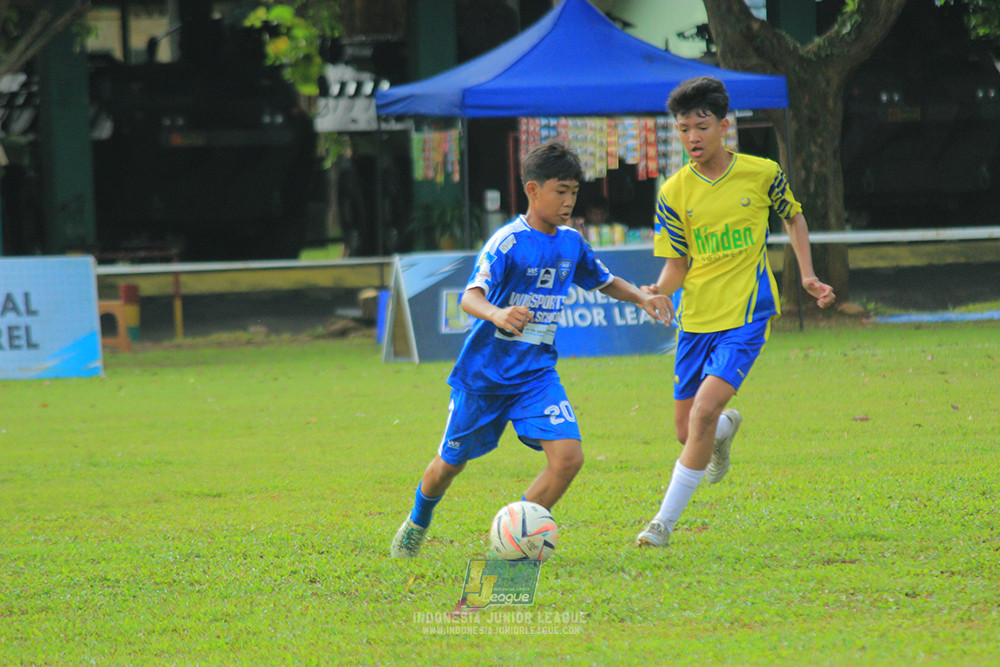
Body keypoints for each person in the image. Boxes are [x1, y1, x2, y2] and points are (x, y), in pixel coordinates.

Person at [391, 140, 674, 558]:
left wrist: (642, 297)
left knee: (568, 459)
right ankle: (418, 520)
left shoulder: (571, 243)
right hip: (484, 375)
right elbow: (469, 298)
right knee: (447, 467)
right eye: (560, 191)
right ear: (532, 190)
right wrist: (499, 314)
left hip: (536, 374)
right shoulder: (507, 242)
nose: (568, 200)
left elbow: (603, 279)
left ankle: (516, 535)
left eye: (574, 192)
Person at [636, 76, 835, 548]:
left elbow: (794, 215)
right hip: (696, 322)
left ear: (725, 125)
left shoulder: (762, 173)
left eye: (700, 126)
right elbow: (676, 264)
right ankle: (726, 430)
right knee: (688, 430)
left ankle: (661, 524)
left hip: (746, 317)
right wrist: (656, 292)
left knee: (703, 411)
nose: (692, 138)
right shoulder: (673, 192)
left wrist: (806, 274)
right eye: (683, 129)